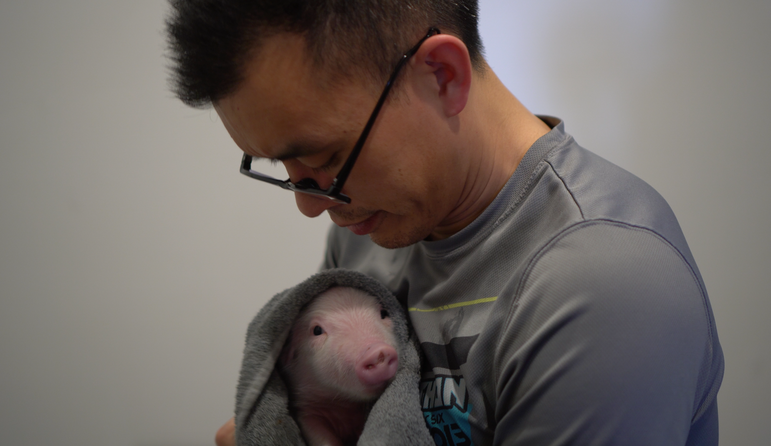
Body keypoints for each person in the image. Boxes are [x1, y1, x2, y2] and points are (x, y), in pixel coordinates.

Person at [166, 1, 724, 445]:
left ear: (441, 75)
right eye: (280, 168)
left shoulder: (604, 283)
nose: (310, 205)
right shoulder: (366, 230)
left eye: (325, 159)